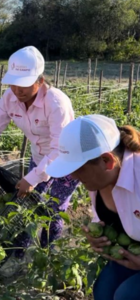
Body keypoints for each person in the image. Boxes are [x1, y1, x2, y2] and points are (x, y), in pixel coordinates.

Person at [0, 46, 80, 273]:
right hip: (39, 156)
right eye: (13, 83)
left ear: (40, 81)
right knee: (23, 207)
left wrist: (32, 178)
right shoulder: (10, 98)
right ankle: (18, 256)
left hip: (68, 161)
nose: (17, 90)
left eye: (23, 84)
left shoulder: (56, 103)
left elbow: (59, 149)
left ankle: (47, 258)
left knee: (54, 210)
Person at [46, 115, 140, 300]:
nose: (72, 176)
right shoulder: (98, 179)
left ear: (107, 161)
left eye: (78, 168)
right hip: (130, 258)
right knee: (103, 292)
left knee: (126, 296)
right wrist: (99, 235)